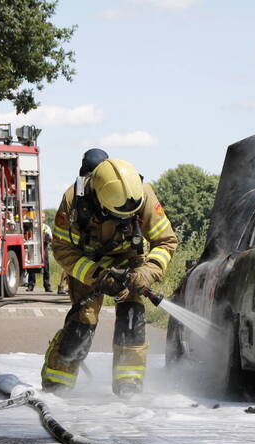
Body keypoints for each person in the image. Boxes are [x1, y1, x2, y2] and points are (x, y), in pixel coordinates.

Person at [41, 158, 178, 399]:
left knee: (132, 317)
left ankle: (129, 385)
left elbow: (166, 241)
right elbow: (62, 249)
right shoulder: (74, 200)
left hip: (129, 260)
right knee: (83, 322)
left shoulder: (143, 194)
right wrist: (97, 276)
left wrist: (145, 273)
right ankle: (56, 385)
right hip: (86, 263)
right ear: (99, 202)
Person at [26, 222, 53, 292]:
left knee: (46, 267)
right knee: (32, 266)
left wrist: (48, 238)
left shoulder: (46, 227)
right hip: (34, 247)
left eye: (43, 217)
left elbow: (51, 238)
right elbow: (28, 236)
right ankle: (30, 285)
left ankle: (47, 286)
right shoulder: (33, 227)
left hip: (44, 248)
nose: (41, 218)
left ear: (44, 218)